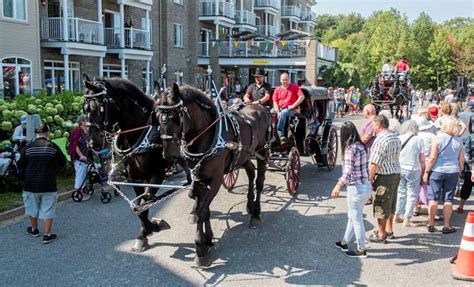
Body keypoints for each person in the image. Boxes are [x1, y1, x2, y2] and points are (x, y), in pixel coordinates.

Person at [17, 124, 67, 244]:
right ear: (47, 134)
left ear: (36, 134)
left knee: (32, 208)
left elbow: (20, 164)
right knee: (48, 209)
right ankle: (47, 235)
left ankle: (34, 230)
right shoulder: (52, 147)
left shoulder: (28, 148)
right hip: (48, 184)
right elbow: (63, 163)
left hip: (31, 184)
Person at [332, 122, 371, 258]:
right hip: (365, 186)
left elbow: (347, 172)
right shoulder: (361, 146)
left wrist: (338, 185)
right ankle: (344, 242)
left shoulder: (350, 149)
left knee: (356, 218)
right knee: (353, 215)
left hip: (356, 188)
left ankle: (361, 249)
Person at [423, 117, 464, 234]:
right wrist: (460, 171)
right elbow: (461, 159)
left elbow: (432, 157)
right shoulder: (459, 140)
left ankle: (431, 223)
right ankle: (447, 225)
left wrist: (426, 172)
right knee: (448, 199)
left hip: (437, 170)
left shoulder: (437, 138)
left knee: (433, 198)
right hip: (453, 171)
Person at [368, 115, 401, 243]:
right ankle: (389, 229)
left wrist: (369, 179)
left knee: (381, 205)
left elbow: (374, 163)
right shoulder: (395, 137)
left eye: (373, 125)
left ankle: (381, 234)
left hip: (384, 176)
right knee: (391, 203)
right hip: (395, 173)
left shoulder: (380, 140)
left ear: (378, 125)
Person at [394, 120, 425, 227]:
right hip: (413, 169)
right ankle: (407, 218)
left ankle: (397, 214)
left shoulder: (399, 138)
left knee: (401, 192)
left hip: (400, 168)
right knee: (412, 194)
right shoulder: (419, 139)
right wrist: (423, 172)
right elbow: (422, 159)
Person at [272, 72, 305, 143]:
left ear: (289, 80)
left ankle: (281, 134)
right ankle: (270, 133)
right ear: (280, 80)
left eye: (286, 79)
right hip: (280, 108)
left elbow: (302, 97)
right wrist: (277, 111)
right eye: (283, 80)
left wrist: (293, 106)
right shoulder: (277, 89)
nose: (285, 81)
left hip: (291, 109)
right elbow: (275, 101)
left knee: (284, 113)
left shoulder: (294, 87)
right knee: (270, 112)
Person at [69, 115, 91, 201]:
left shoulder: (84, 131)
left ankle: (82, 191)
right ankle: (78, 192)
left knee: (83, 175)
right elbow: (75, 145)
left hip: (84, 158)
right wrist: (81, 155)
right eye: (86, 120)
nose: (88, 121)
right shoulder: (78, 131)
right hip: (79, 159)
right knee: (80, 176)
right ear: (82, 122)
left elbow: (85, 144)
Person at [458, 123, 474, 213]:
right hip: (471, 167)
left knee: (467, 186)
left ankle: (461, 206)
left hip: (470, 168)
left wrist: (471, 165)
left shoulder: (470, 137)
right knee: (467, 187)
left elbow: (466, 153)